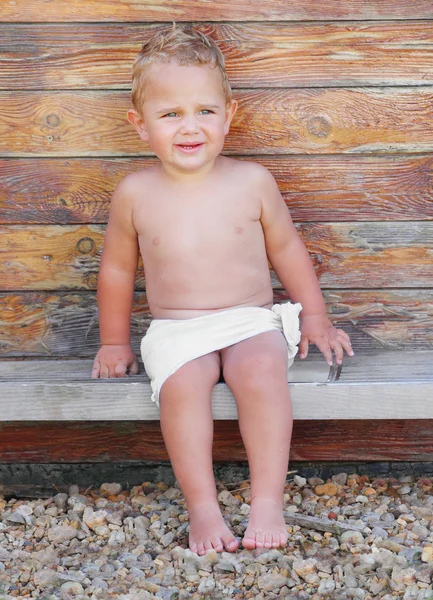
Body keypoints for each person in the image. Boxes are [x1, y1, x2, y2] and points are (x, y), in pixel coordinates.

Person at [92, 24, 353, 556]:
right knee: (183, 387)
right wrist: (115, 341)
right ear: (139, 126)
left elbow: (288, 251)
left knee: (260, 370)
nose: (190, 127)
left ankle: (267, 501)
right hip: (176, 328)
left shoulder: (251, 181)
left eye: (205, 111)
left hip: (248, 319)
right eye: (170, 115)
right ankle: (203, 507)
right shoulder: (135, 193)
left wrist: (316, 317)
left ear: (230, 115)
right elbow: (117, 272)